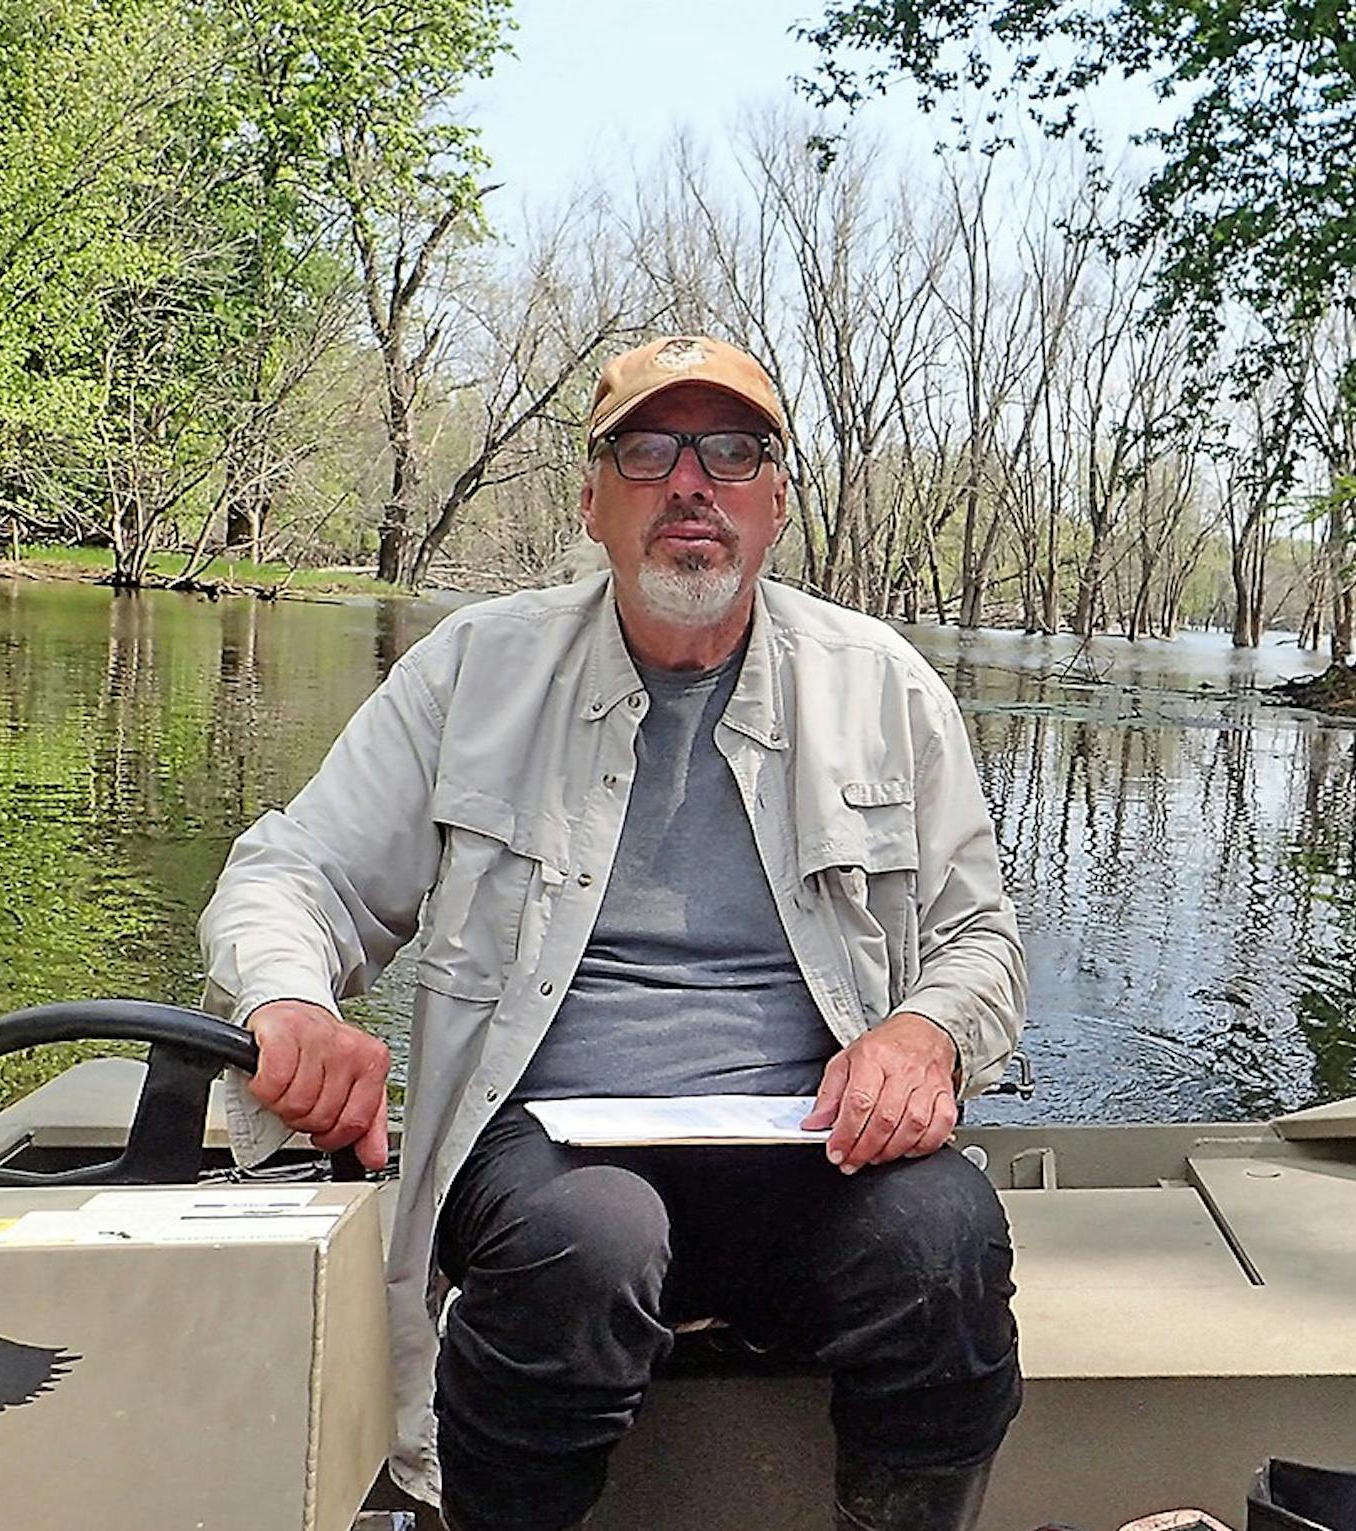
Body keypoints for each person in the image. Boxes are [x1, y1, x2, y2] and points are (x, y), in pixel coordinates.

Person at [199, 335, 1027, 1531]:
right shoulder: (476, 672)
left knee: (945, 1233)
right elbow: (297, 870)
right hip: (549, 1162)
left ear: (777, 498)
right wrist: (291, 1001)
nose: (692, 481)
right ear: (592, 498)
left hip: (810, 1159)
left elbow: (980, 939)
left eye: (733, 450)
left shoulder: (884, 690)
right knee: (590, 1240)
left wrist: (924, 1032)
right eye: (650, 448)